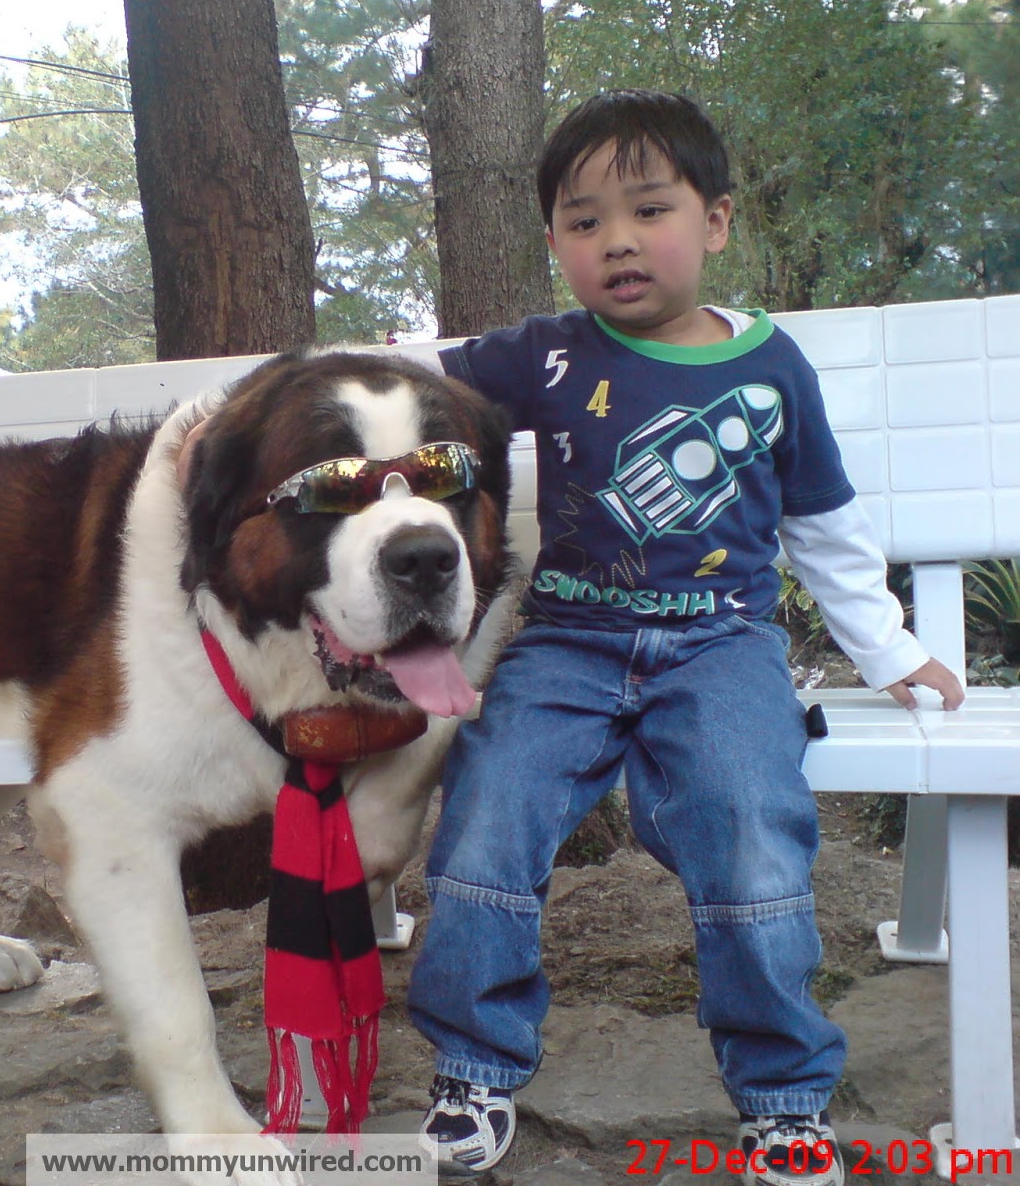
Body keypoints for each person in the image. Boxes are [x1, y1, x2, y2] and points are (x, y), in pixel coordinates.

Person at [409, 89, 964, 1186]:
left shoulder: (770, 369)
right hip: (566, 642)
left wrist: (892, 651)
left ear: (713, 221)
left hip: (723, 648)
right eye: (581, 222)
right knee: (487, 809)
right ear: (558, 246)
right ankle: (471, 1067)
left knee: (747, 823)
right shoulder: (546, 356)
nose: (615, 240)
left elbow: (824, 528)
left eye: (647, 210)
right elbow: (404, 380)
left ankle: (782, 1096)